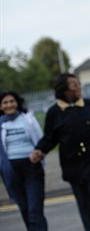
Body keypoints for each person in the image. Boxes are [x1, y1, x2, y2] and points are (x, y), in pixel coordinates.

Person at [30, 73, 90, 231]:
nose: (78, 87)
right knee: (84, 204)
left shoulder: (89, 104)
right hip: (73, 167)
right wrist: (39, 150)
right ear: (64, 89)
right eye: (74, 85)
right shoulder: (54, 112)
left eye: (78, 84)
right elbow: (50, 138)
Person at [0, 91, 48, 231]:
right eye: (5, 102)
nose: (9, 105)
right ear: (1, 106)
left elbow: (41, 140)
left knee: (34, 210)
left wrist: (39, 152)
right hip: (11, 171)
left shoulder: (28, 119)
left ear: (17, 103)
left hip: (32, 167)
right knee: (25, 209)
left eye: (12, 101)